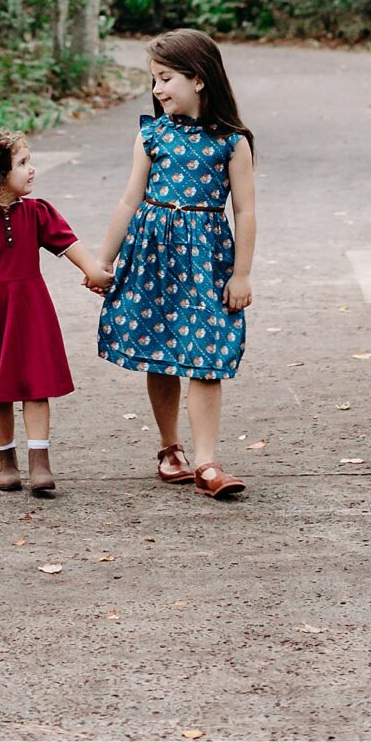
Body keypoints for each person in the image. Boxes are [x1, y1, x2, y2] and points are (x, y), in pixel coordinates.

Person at [94, 29, 256, 498]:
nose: (158, 89)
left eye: (165, 79)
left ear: (199, 79)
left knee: (208, 356)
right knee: (160, 347)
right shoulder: (152, 134)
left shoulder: (231, 142)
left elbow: (244, 210)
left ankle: (207, 463)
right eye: (155, 80)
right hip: (153, 258)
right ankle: (170, 450)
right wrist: (104, 260)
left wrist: (241, 273)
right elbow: (129, 200)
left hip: (206, 261)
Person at [0, 125, 111, 495]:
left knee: (36, 386)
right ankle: (6, 462)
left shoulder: (37, 213)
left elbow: (69, 246)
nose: (31, 169)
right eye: (22, 163)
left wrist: (95, 273)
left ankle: (40, 462)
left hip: (30, 308)